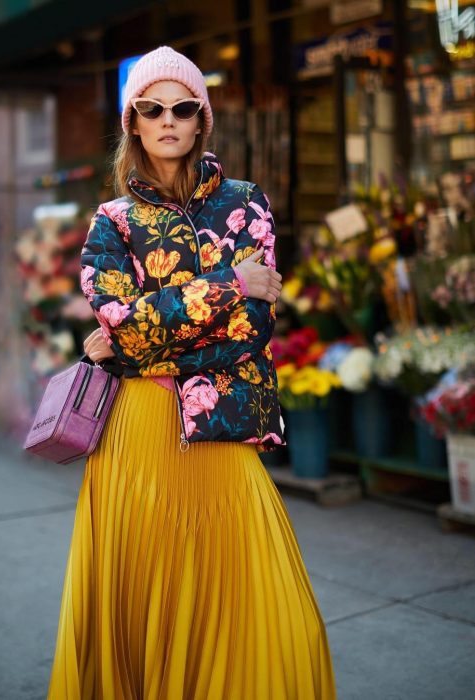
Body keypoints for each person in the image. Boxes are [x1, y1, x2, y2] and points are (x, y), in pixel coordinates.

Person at [47, 45, 337, 699]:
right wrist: (230, 283)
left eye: (182, 107)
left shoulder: (243, 203)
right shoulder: (111, 222)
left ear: (201, 120)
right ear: (134, 123)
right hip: (137, 434)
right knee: (142, 598)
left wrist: (134, 343)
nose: (168, 119)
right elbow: (120, 314)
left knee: (276, 618)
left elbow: (250, 332)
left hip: (222, 427)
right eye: (152, 109)